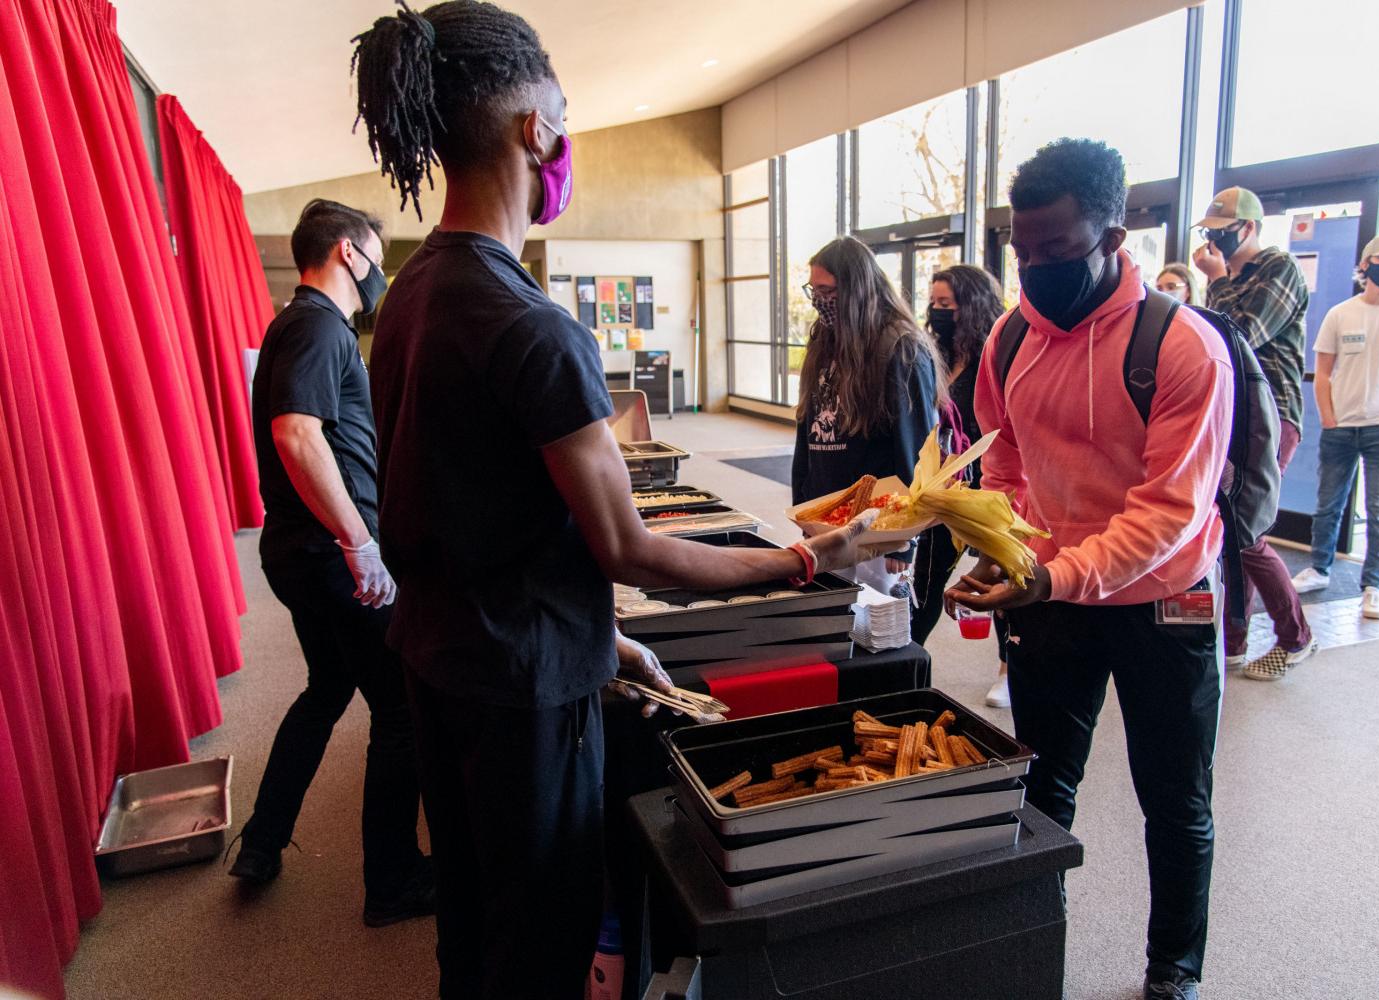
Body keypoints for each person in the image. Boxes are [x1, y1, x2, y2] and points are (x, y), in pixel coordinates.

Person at [349, 5, 885, 995]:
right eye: (564, 115)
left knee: (471, 917)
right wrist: (811, 557)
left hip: (443, 661)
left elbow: (468, 497)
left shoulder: (413, 290)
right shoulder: (534, 324)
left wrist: (603, 642)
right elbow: (629, 548)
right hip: (521, 688)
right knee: (543, 939)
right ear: (533, 131)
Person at [949, 138, 1232, 1000]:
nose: (1035, 269)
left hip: (1164, 598)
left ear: (1115, 232)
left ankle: (1171, 972)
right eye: (1021, 252)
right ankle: (1030, 949)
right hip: (1054, 595)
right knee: (1039, 789)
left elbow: (1167, 513)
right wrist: (1003, 550)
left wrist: (1052, 576)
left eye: (1058, 252)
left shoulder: (1185, 349)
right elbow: (1005, 471)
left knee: (1175, 803)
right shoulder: (1006, 341)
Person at [231, 198, 435, 928]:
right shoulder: (319, 325)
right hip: (330, 556)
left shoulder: (299, 324)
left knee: (326, 690)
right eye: (378, 254)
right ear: (350, 252)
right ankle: (393, 882)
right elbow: (296, 433)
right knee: (401, 712)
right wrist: (361, 541)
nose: (383, 271)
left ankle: (260, 842)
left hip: (296, 552)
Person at [1192, 186, 1316, 681]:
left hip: (1271, 413)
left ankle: (1296, 637)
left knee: (1246, 530)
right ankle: (1234, 641)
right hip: (1230, 411)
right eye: (1208, 230)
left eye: (1221, 227)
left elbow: (1237, 332)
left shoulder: (1278, 268)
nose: (1214, 238)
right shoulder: (1232, 275)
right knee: (1227, 526)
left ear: (1248, 227)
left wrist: (1218, 279)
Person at [1291, 234, 1379, 620]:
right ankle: (1319, 567)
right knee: (1328, 503)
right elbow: (1322, 372)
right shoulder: (1342, 313)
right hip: (1341, 423)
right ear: (1368, 263)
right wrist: (1327, 415)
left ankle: (1374, 584)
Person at [793, 236, 942, 594]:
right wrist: (803, 507)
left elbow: (917, 449)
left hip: (878, 524)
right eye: (813, 290)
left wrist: (904, 540)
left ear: (855, 290)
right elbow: (807, 431)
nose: (819, 301)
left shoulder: (900, 347)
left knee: (878, 629)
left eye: (826, 291)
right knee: (831, 612)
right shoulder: (825, 337)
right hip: (827, 513)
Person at [908, 265, 1012, 707]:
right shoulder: (935, 352)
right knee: (927, 581)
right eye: (933, 302)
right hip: (945, 485)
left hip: (993, 483)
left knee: (1004, 576)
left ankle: (1010, 669)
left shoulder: (999, 350)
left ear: (971, 305)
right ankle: (909, 658)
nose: (937, 311)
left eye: (946, 304)